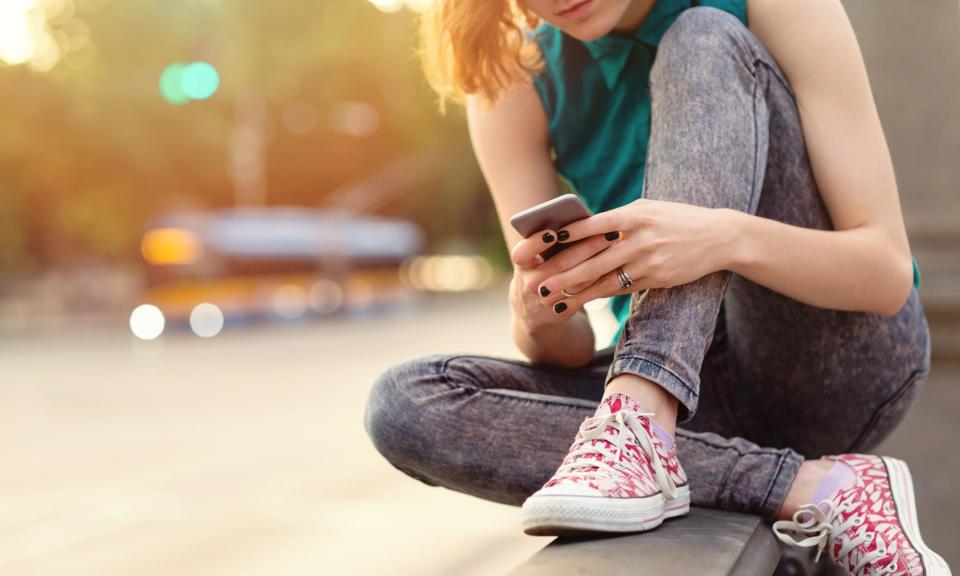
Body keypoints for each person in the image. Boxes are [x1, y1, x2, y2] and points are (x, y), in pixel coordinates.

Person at [364, 0, 952, 573]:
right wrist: (538, 308)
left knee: (702, 36)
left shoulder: (775, 6)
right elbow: (561, 346)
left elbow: (884, 274)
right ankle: (813, 487)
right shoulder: (513, 75)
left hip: (832, 360)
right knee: (404, 402)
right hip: (695, 412)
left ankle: (639, 417)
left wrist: (723, 238)